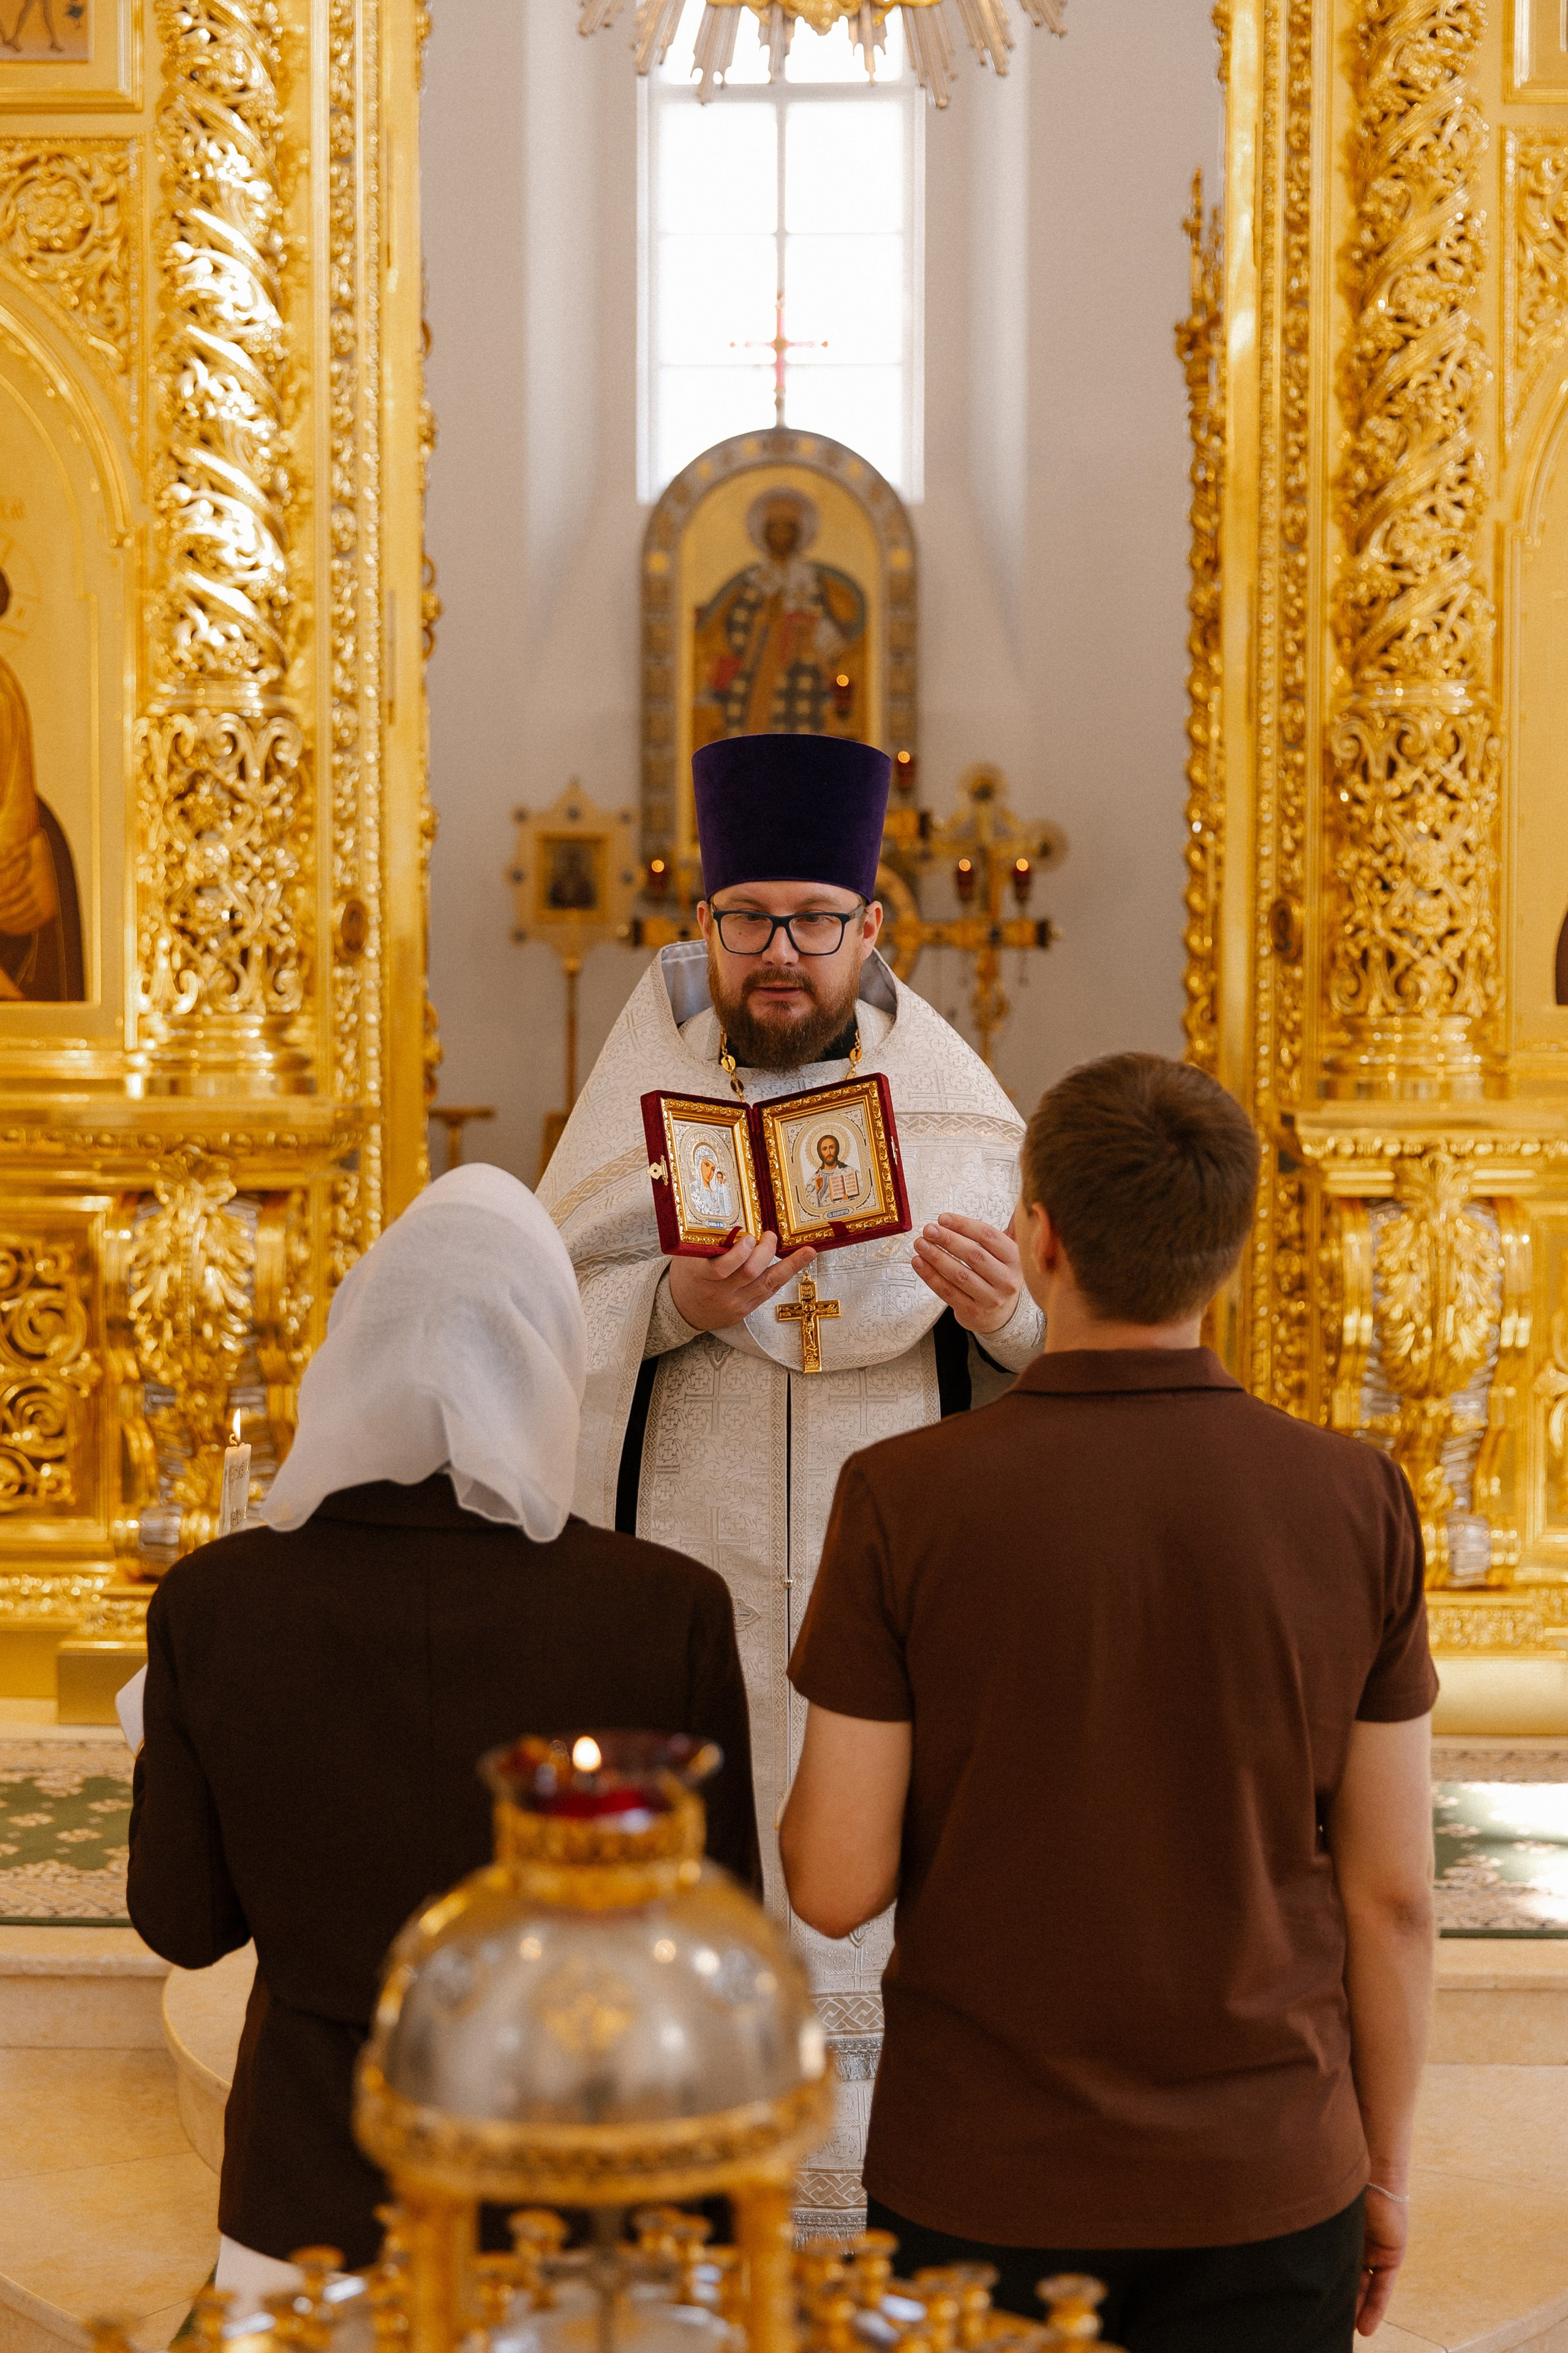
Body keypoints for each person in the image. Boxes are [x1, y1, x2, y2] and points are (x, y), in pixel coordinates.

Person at [782, 1052, 1437, 2351]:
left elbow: (832, 1883)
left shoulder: (903, 1497)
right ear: (1232, 1255)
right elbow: (1394, 1895)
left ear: (1038, 1239)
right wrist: (1384, 2168)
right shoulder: (1353, 1499)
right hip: (1265, 2168)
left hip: (978, 2173)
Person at [538, 731, 1042, 2232]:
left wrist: (1006, 1314)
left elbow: (1067, 1368)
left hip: (884, 1597)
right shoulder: (629, 1114)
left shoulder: (960, 1125)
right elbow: (541, 1335)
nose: (780, 955)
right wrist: (665, 1311)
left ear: (870, 929)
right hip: (683, 1587)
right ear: (701, 925)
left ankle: (879, 2193)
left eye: (814, 921)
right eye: (747, 917)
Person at [126, 1165, 760, 2298]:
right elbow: (720, 1943)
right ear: (546, 1360)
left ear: (350, 1347)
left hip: (309, 2192)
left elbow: (182, 1922)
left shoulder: (217, 1600)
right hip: (583, 2196)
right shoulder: (666, 1606)